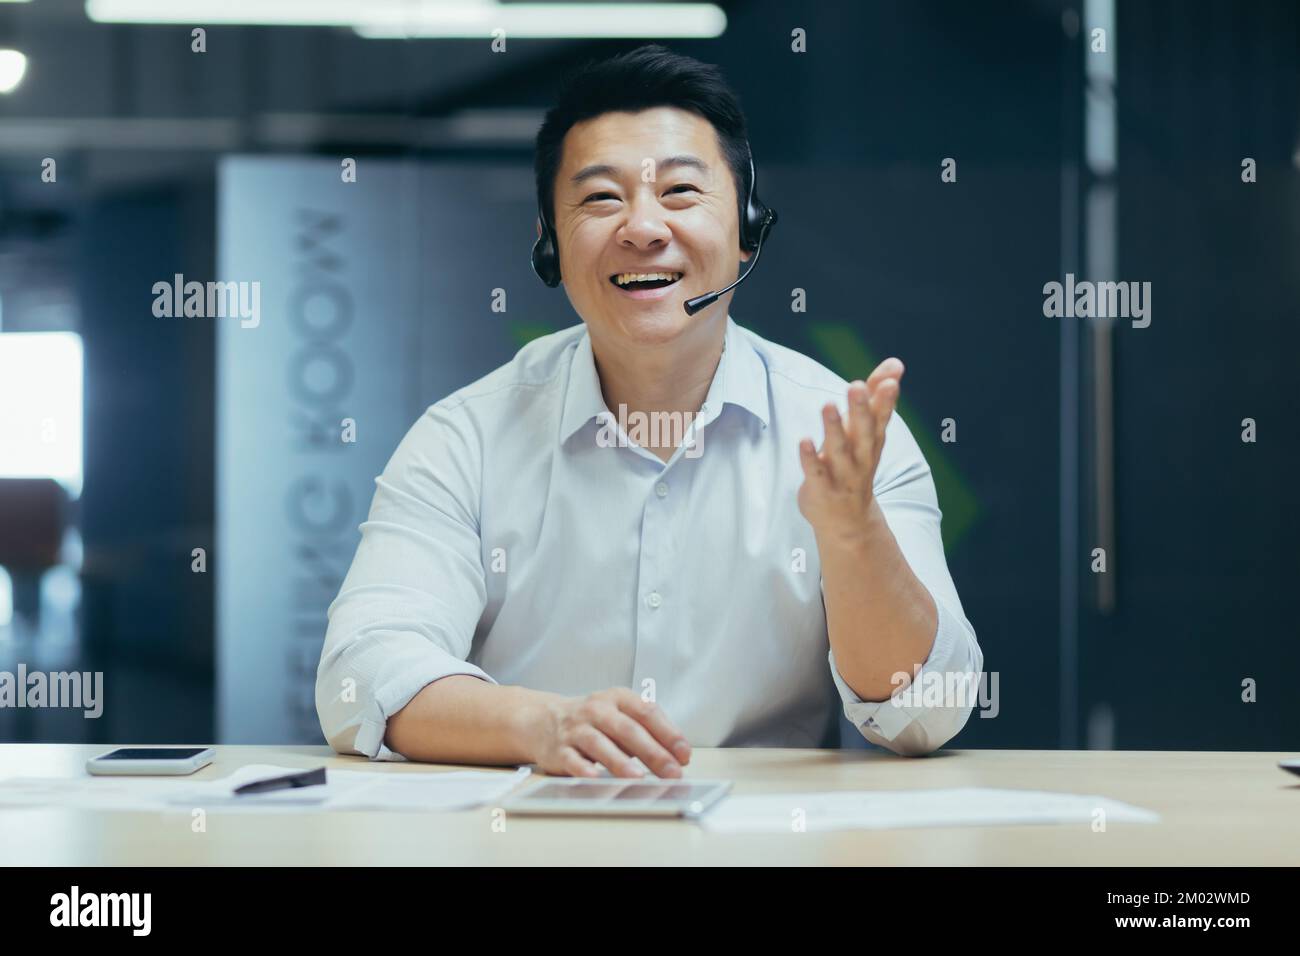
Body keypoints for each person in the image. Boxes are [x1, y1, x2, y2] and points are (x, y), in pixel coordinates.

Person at [316, 44, 983, 777]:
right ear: (548, 244)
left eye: (681, 193)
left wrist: (853, 535)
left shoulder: (843, 435)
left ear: (748, 226)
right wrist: (542, 726)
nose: (643, 228)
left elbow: (929, 710)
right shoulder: (463, 438)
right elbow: (360, 673)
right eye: (601, 198)